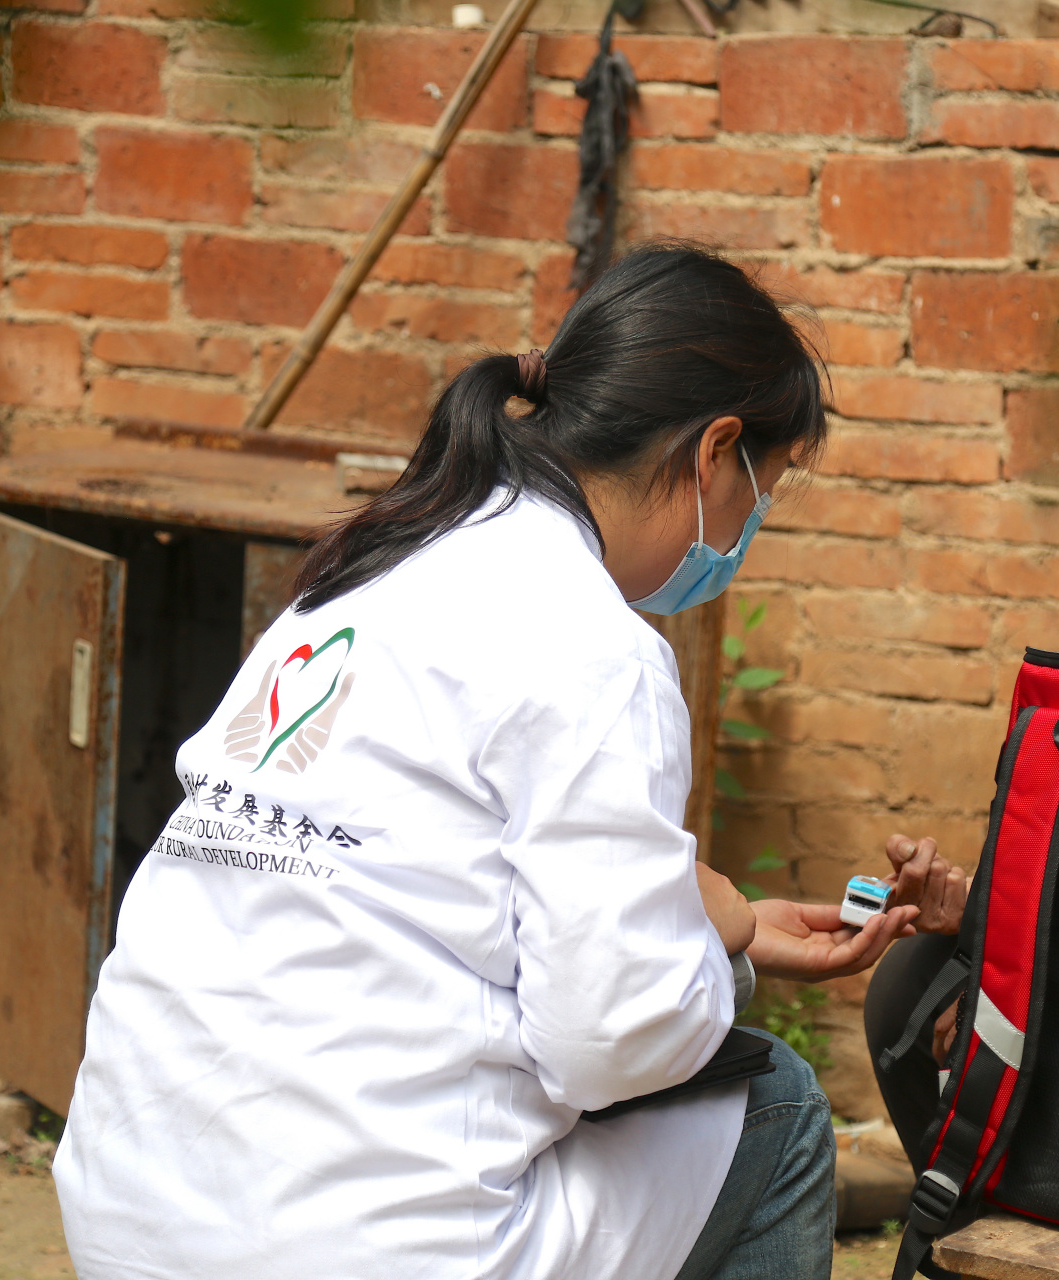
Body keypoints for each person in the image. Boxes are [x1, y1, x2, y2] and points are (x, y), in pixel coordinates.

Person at [53, 244, 950, 1280]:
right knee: (777, 1109)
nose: (747, 529)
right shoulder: (595, 644)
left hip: (131, 1212)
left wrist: (697, 919)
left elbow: (406, 895)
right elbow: (613, 1043)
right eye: (763, 491)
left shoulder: (362, 576)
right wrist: (713, 940)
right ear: (715, 452)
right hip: (356, 1250)